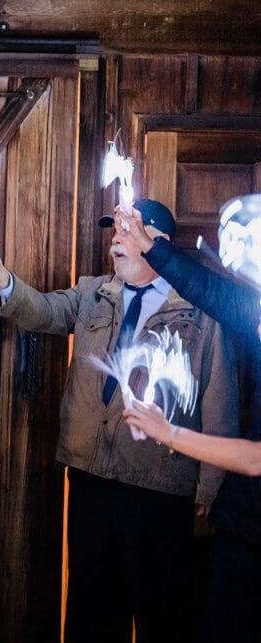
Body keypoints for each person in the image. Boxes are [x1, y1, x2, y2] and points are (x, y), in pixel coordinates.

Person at [0, 198, 238, 643]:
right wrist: (4, 281)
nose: (114, 238)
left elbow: (220, 398)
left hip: (161, 487)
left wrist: (210, 486)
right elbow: (45, 310)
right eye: (113, 230)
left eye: (126, 230)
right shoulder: (94, 291)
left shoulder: (200, 309)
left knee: (164, 614)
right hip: (92, 479)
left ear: (160, 244)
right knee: (93, 613)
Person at [116, 203, 261, 642]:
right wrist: (150, 248)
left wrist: (169, 432)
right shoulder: (252, 310)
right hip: (242, 529)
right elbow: (204, 289)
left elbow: (257, 459)